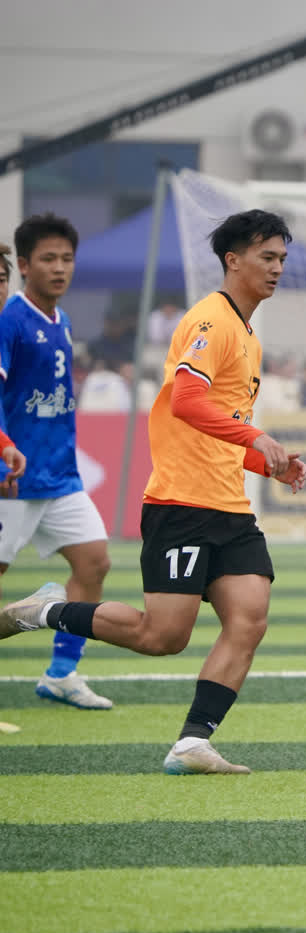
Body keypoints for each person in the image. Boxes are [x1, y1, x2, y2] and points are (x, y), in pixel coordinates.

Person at [0, 209, 306, 775]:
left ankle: (192, 743)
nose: (277, 268)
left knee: (249, 618)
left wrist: (267, 464)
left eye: (282, 259)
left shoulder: (247, 334)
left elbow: (220, 425)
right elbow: (186, 402)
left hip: (230, 506)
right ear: (233, 260)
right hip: (182, 504)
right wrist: (256, 436)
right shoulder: (211, 321)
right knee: (162, 636)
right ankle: (43, 611)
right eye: (267, 257)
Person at [0, 214, 115, 709]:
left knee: (94, 563)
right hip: (13, 479)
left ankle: (62, 674)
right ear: (25, 265)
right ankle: (29, 618)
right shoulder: (10, 319)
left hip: (60, 477)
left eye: (67, 259)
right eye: (48, 259)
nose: (60, 268)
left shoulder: (61, 319)